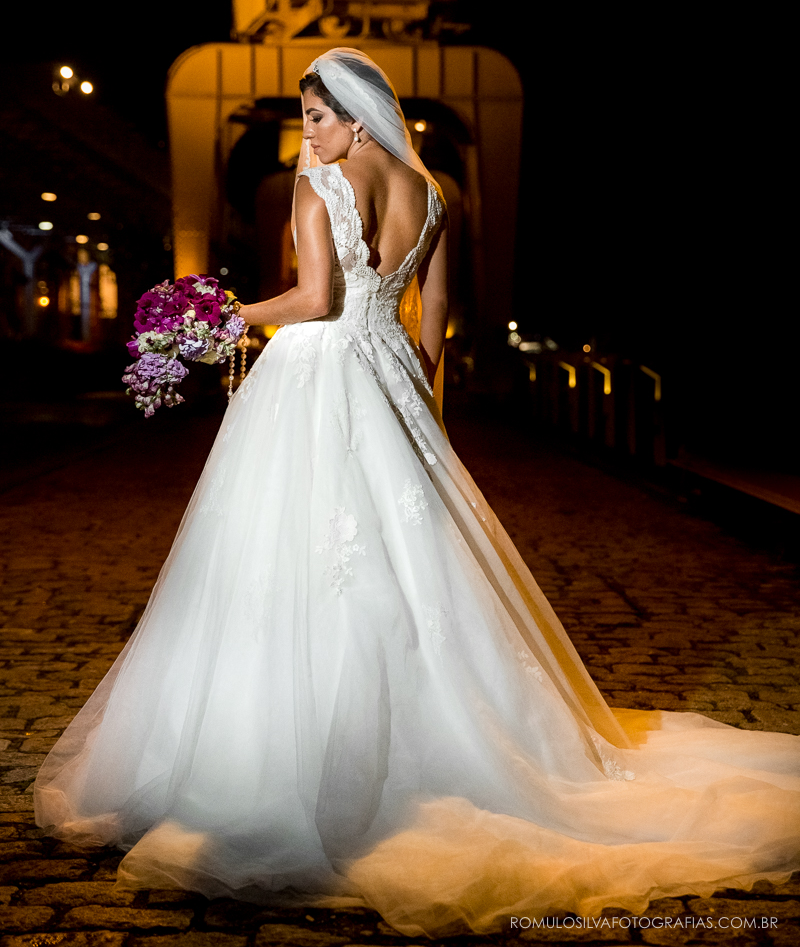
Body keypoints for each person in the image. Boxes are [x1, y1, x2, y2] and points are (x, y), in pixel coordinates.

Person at [35, 49, 800, 936]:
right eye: (306, 120)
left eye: (317, 117)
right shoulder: (437, 191)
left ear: (355, 119)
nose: (308, 134)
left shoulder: (319, 181)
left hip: (316, 378)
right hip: (391, 375)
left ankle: (290, 761)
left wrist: (220, 317)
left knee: (290, 557)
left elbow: (316, 297)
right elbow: (434, 313)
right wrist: (410, 390)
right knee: (412, 562)